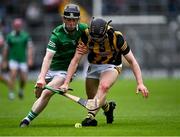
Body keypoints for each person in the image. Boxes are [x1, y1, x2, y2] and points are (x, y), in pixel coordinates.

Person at [60, 18, 149, 126]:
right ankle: (108, 108)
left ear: (106, 31)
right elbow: (75, 61)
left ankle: (90, 117)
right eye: (94, 38)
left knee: (103, 87)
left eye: (99, 38)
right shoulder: (86, 35)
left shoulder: (117, 37)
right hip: (94, 65)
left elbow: (132, 61)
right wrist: (66, 83)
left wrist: (140, 83)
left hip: (112, 65)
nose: (96, 41)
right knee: (93, 98)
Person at [19, 4, 88, 127]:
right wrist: (41, 77)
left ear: (78, 20)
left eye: (74, 20)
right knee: (38, 92)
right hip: (52, 69)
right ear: (64, 19)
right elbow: (48, 57)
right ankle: (106, 106)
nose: (71, 23)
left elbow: (95, 43)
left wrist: (88, 48)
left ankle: (26, 120)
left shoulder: (84, 29)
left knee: (46, 93)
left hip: (65, 71)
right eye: (68, 19)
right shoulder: (57, 34)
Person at [3, 18, 34, 100]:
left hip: (22, 59)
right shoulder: (9, 36)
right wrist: (5, 61)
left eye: (19, 26)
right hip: (13, 59)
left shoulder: (25, 36)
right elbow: (6, 49)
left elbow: (30, 48)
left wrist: (30, 59)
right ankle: (11, 92)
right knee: (12, 75)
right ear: (13, 26)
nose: (17, 27)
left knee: (23, 78)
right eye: (16, 26)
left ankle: (21, 89)